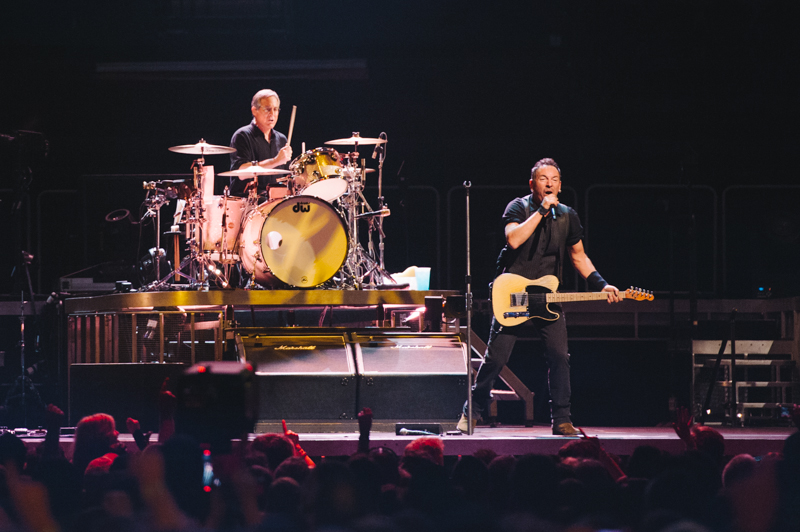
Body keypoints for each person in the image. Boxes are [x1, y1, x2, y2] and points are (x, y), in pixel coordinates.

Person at [459, 158, 622, 436]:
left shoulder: (568, 216)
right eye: (544, 179)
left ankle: (562, 419)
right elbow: (513, 239)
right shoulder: (518, 207)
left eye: (555, 179)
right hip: (514, 294)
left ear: (560, 185)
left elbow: (579, 256)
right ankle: (471, 412)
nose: (550, 184)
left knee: (559, 356)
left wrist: (601, 284)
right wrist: (542, 211)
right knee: (496, 358)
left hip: (547, 295)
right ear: (532, 184)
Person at [228, 89, 293, 197]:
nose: (272, 114)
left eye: (275, 109)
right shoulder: (242, 136)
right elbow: (241, 172)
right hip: (248, 201)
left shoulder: (282, 139)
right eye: (268, 109)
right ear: (254, 111)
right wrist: (275, 161)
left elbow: (287, 178)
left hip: (276, 200)